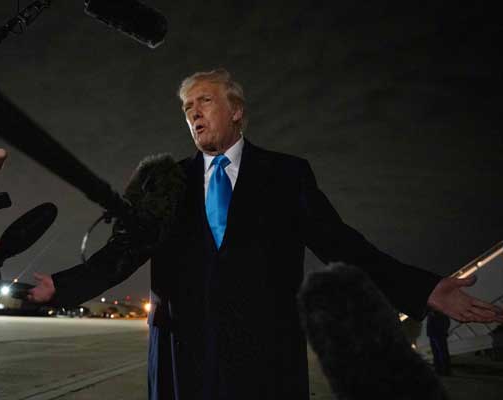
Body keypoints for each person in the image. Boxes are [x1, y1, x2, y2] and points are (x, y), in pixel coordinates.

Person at [27, 68, 503, 399]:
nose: (193, 113)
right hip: (183, 353)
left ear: (236, 110)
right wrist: (64, 286)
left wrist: (423, 287)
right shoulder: (166, 180)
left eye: (205, 101)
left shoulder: (286, 175)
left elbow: (342, 243)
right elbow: (123, 252)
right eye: (187, 107)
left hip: (264, 355)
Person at [427, 311, 452, 375]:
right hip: (434, 334)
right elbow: (447, 322)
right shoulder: (433, 314)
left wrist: (443, 331)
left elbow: (446, 322)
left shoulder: (440, 314)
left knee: (442, 352)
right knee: (437, 353)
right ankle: (439, 370)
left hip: (437, 334)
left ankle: (445, 370)